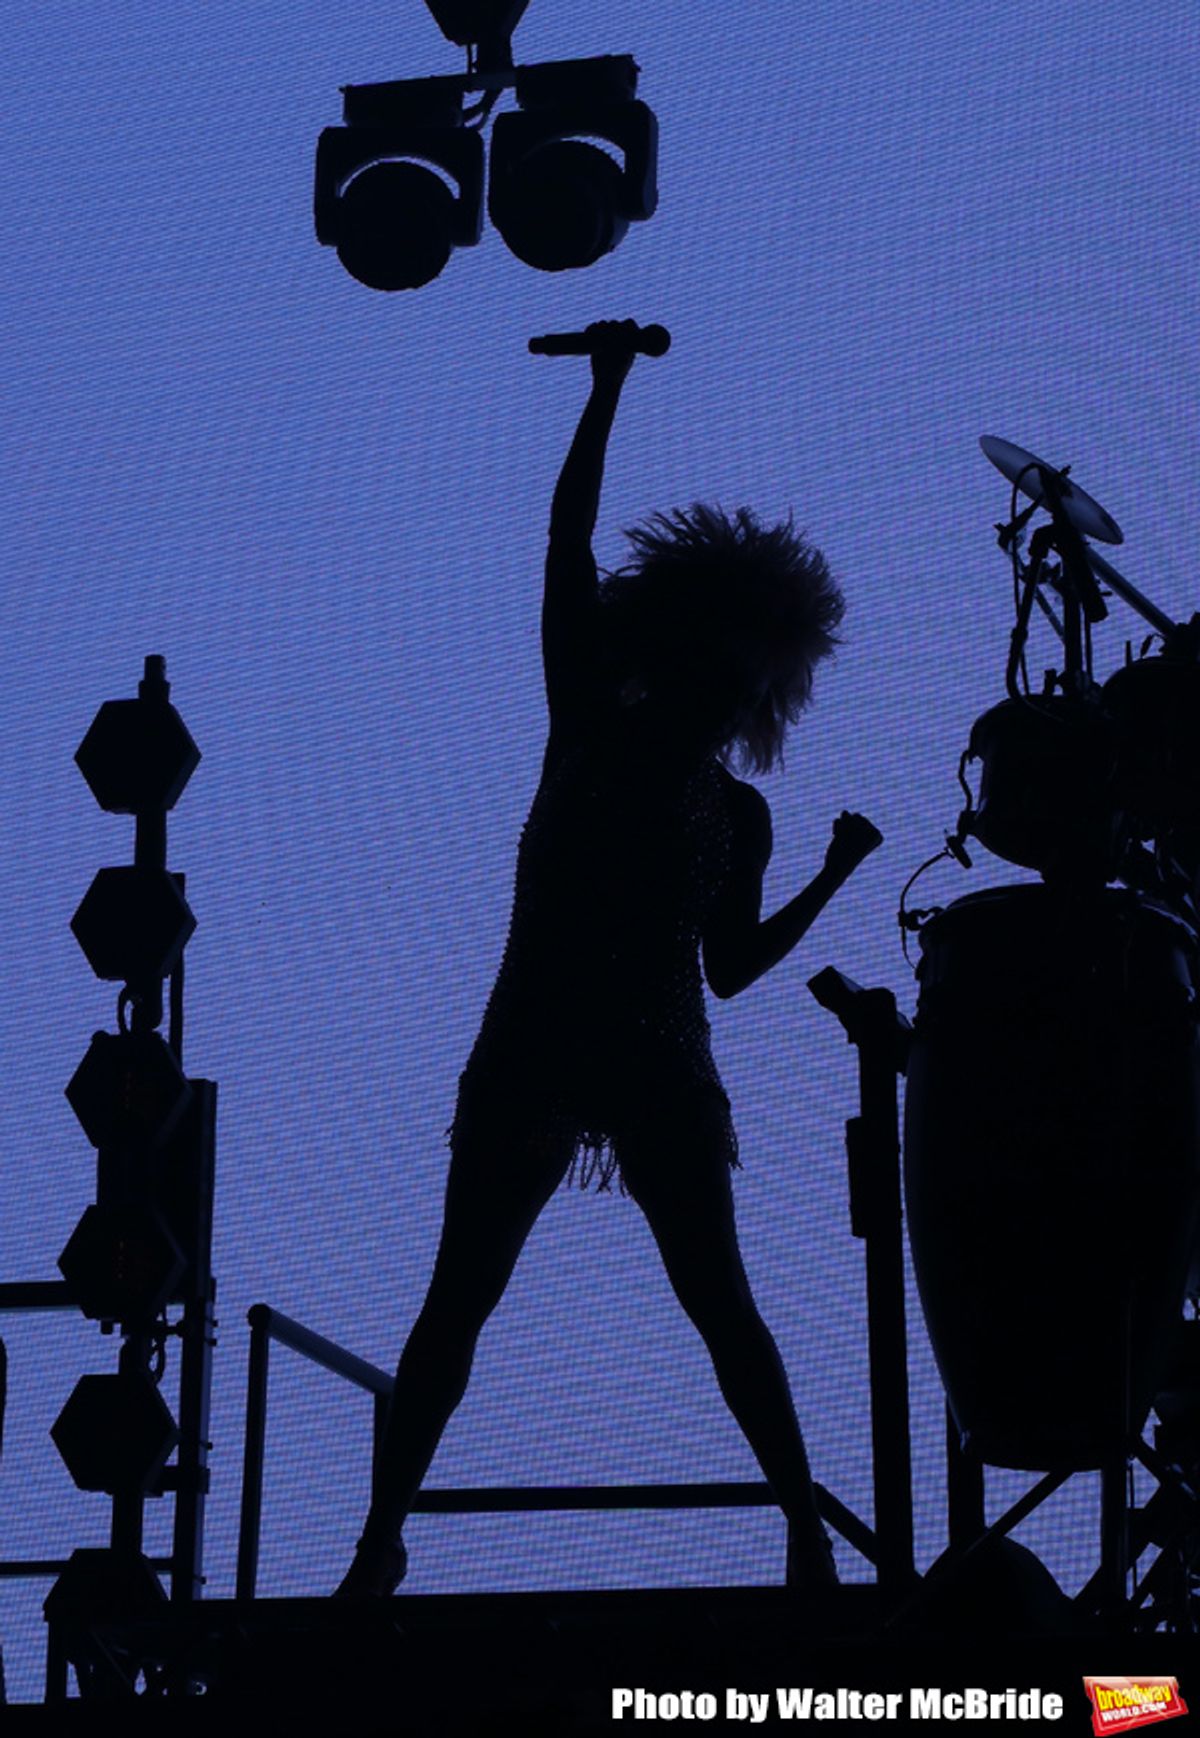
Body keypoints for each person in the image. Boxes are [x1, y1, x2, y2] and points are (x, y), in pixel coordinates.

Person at [335, 321, 881, 1600]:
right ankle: (380, 1541)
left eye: (737, 685)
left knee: (714, 1300)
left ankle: (803, 1533)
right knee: (463, 1299)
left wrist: (832, 874)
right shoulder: (586, 720)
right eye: (711, 672)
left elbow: (732, 965)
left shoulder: (730, 810)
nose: (722, 698)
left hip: (642, 1051)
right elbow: (566, 549)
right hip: (550, 1041)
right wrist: (606, 391)